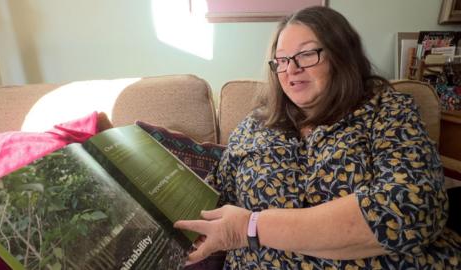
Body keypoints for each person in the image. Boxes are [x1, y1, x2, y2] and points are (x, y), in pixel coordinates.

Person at [175, 6, 461, 269]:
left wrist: (251, 228)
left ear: (341, 54)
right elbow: (212, 199)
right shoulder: (253, 126)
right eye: (282, 60)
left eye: (307, 54)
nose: (291, 69)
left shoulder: (387, 110)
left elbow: (412, 208)